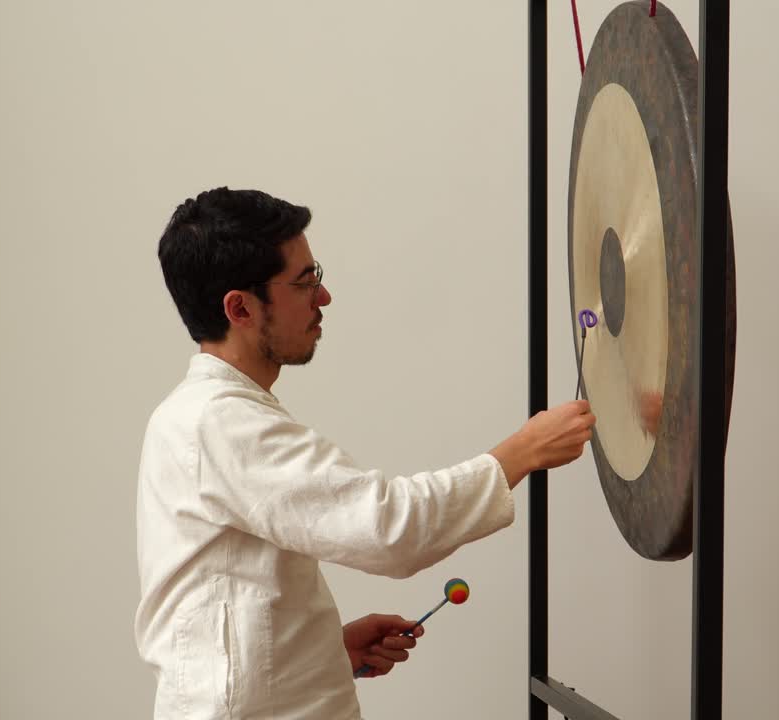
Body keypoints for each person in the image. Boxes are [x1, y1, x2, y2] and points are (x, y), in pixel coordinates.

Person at [133, 186, 596, 719]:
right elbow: (388, 529)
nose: (323, 297)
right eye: (304, 282)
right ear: (239, 307)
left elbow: (225, 604)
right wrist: (522, 453)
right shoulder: (220, 422)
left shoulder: (198, 417)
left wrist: (327, 653)